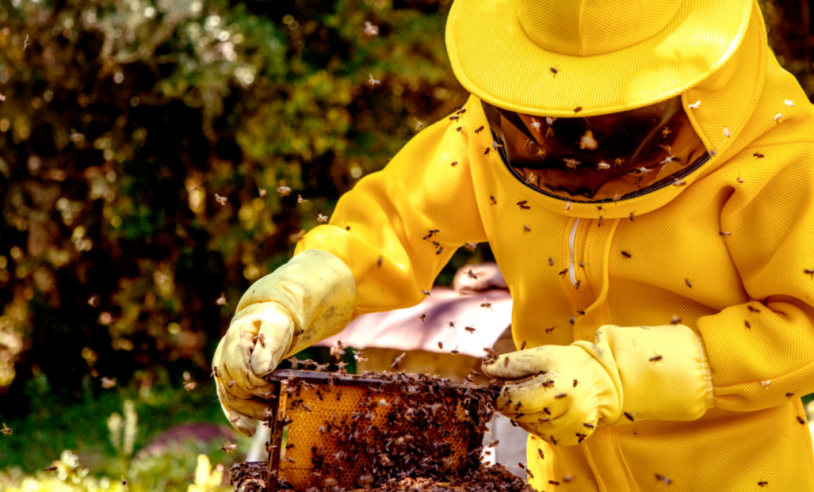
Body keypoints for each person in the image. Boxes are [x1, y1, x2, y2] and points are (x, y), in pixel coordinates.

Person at [212, 0, 814, 489]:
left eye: (613, 119)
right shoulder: (511, 121)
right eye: (557, 120)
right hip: (562, 477)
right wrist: (289, 299)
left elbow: (804, 323)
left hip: (739, 477)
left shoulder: (782, 157)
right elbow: (396, 220)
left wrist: (620, 375)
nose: (579, 143)